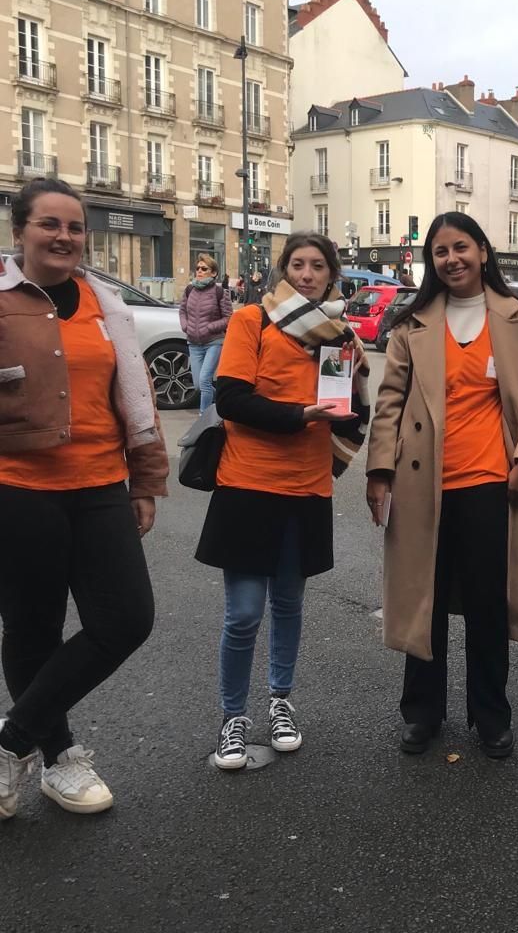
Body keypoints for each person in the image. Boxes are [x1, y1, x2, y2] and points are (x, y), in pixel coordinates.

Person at [0, 178, 168, 817]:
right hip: (19, 491)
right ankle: (59, 757)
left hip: (100, 484)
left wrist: (146, 480)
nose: (64, 237)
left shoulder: (106, 305)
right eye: (50, 224)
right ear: (21, 231)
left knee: (126, 619)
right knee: (33, 626)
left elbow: (136, 397)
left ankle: (12, 740)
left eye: (74, 227)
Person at [365, 211, 518, 758]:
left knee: (487, 606)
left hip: (495, 484)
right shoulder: (413, 324)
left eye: (460, 248)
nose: (451, 260)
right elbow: (390, 404)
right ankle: (421, 713)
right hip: (424, 483)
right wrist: (380, 472)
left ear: (483, 251)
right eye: (440, 252)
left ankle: (490, 715)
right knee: (423, 599)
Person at [195, 232, 369, 770]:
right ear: (282, 270)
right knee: (244, 614)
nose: (307, 274)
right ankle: (232, 718)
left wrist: (358, 380)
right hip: (248, 484)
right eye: (297, 264)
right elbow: (231, 399)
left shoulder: (338, 336)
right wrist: (301, 415)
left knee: (290, 604)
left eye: (318, 266)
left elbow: (352, 419)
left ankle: (279, 702)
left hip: (308, 486)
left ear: (332, 275)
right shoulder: (253, 320)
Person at [179, 253, 233, 413]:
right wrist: (185, 326)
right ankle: (221, 401)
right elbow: (182, 311)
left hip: (214, 342)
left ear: (214, 273)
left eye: (204, 268)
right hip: (193, 343)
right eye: (197, 268)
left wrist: (209, 327)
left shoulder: (220, 293)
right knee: (198, 385)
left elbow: (229, 318)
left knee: (204, 381)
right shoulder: (189, 290)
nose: (199, 271)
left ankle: (203, 417)